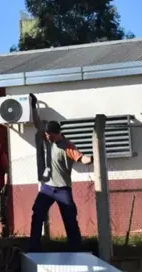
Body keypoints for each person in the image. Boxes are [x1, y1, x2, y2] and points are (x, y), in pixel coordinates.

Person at [28, 93, 93, 252]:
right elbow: (37, 124)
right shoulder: (48, 139)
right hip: (47, 188)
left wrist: (90, 158)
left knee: (69, 218)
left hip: (63, 189)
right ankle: (34, 246)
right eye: (47, 134)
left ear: (57, 133)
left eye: (50, 134)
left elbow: (80, 158)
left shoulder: (68, 146)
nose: (47, 137)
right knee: (37, 214)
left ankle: (75, 247)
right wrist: (34, 106)